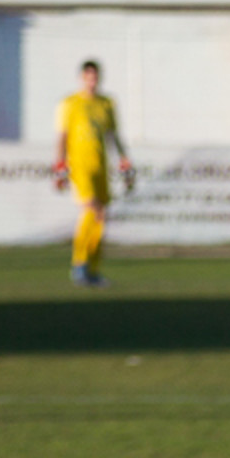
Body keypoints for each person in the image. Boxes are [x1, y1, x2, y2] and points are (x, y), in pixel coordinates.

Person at [52, 60, 134, 289]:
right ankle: (79, 264)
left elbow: (114, 135)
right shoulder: (71, 103)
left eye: (95, 77)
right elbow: (62, 136)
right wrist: (60, 167)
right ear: (81, 78)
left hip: (101, 167)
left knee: (100, 216)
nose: (92, 81)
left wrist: (124, 160)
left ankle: (93, 270)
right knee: (92, 208)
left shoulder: (106, 103)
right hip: (79, 166)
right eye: (88, 77)